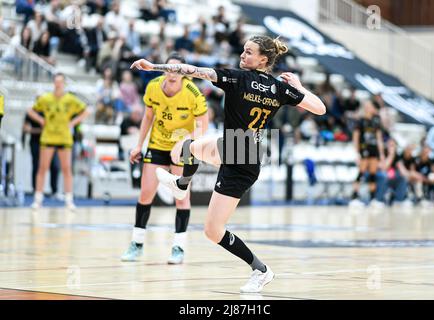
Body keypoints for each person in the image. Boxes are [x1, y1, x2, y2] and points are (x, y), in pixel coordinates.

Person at [130, 35, 326, 293]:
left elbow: (190, 70)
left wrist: (154, 67)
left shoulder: (237, 78)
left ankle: (261, 270)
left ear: (263, 59)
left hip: (241, 162)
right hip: (238, 147)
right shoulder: (280, 88)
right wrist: (299, 86)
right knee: (186, 147)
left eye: (248, 52)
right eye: (243, 51)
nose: (243, 55)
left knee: (212, 231)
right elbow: (320, 108)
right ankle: (181, 184)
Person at [121, 52, 209, 264]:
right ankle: (137, 243)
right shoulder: (153, 86)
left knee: (181, 197)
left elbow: (203, 127)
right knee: (145, 193)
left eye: (177, 70)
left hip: (182, 147)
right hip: (158, 144)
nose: (172, 73)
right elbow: (148, 117)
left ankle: (178, 247)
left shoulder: (192, 92)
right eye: (169, 68)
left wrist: (183, 143)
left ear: (184, 73)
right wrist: (138, 145)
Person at [27, 73, 89, 210]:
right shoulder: (46, 98)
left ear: (64, 84)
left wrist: (73, 122)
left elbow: (86, 111)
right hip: (48, 136)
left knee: (66, 169)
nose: (58, 84)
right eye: (56, 82)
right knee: (42, 168)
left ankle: (69, 200)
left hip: (64, 137)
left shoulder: (70, 99)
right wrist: (41, 120)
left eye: (60, 82)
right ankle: (38, 199)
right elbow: (30, 111)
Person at [349, 101, 385, 207]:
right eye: (367, 106)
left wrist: (381, 153)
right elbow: (355, 137)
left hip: (374, 149)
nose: (369, 108)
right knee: (361, 172)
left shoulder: (376, 120)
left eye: (371, 106)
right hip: (364, 149)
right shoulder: (360, 121)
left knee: (373, 174)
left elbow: (379, 138)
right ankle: (354, 197)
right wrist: (356, 153)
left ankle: (373, 198)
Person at [22, 112, 60, 195]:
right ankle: (36, 190)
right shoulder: (32, 112)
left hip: (50, 143)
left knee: (55, 166)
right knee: (37, 166)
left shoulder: (52, 111)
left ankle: (55, 191)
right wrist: (41, 130)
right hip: (36, 143)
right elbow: (25, 128)